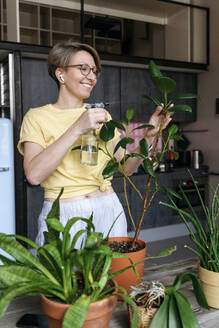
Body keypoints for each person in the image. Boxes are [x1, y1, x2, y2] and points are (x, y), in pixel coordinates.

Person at [17, 40, 172, 247]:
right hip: (62, 214)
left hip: (108, 208)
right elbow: (34, 175)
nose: (91, 77)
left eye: (94, 71)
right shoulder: (36, 117)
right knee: (65, 279)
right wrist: (77, 128)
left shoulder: (102, 115)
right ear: (60, 73)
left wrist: (150, 135)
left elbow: (125, 167)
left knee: (112, 278)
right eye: (83, 69)